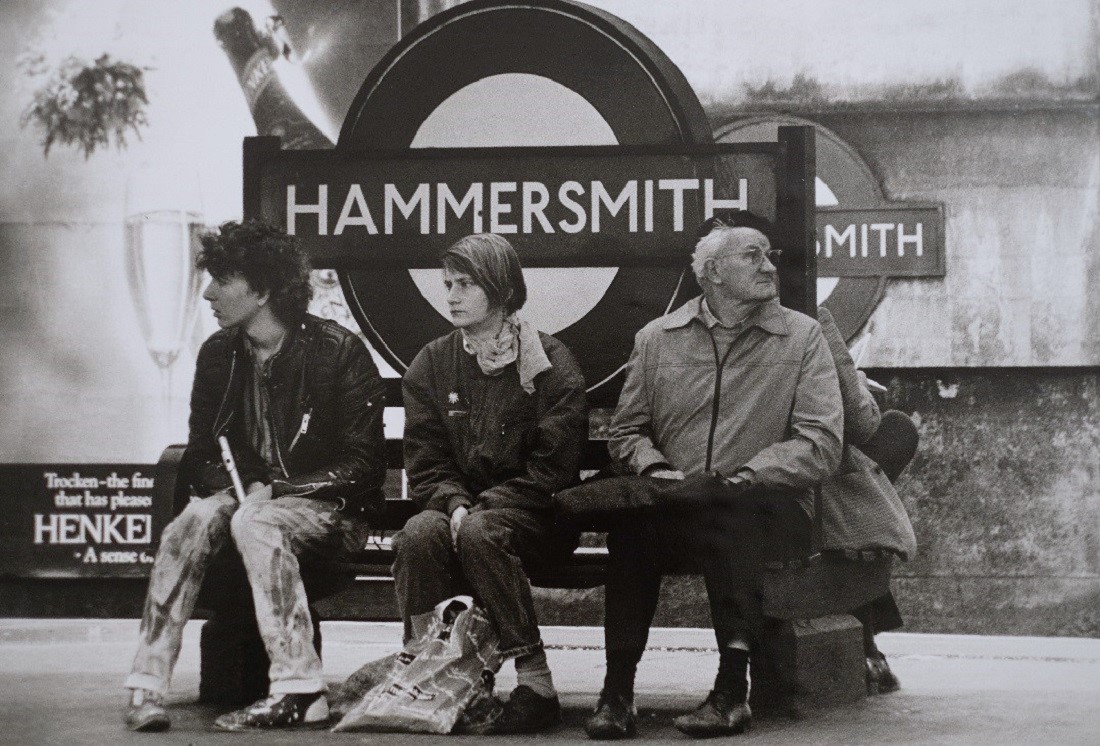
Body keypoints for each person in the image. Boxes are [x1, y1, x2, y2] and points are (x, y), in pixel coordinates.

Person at [584, 212, 844, 739]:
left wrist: (746, 476)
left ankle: (731, 691)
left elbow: (821, 443)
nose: (769, 265)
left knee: (731, 516)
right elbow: (626, 431)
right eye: (753, 255)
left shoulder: (801, 338)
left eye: (770, 254)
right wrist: (657, 470)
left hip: (769, 509)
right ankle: (616, 693)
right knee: (633, 534)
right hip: (678, 505)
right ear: (712, 272)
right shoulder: (658, 339)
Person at [123, 220, 386, 732]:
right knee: (192, 521)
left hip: (332, 517)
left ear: (263, 289)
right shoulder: (219, 355)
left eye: (222, 279)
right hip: (250, 504)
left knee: (256, 522)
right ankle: (145, 685)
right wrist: (237, 486)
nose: (207, 293)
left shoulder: (338, 351)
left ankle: (299, 689)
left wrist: (276, 491)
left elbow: (363, 467)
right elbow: (202, 452)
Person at [393, 233, 587, 734]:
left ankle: (535, 682)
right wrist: (455, 503)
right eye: (448, 284)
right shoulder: (433, 363)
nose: (452, 296)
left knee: (482, 533)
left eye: (466, 284)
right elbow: (426, 459)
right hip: (460, 511)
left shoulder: (548, 360)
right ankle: (431, 672)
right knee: (419, 533)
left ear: (500, 290)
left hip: (535, 517)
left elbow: (554, 469)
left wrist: (480, 509)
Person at [816, 307, 917, 695]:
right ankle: (868, 647)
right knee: (895, 430)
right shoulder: (813, 317)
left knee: (850, 497)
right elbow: (861, 423)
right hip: (799, 481)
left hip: (733, 467)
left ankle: (869, 648)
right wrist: (854, 382)